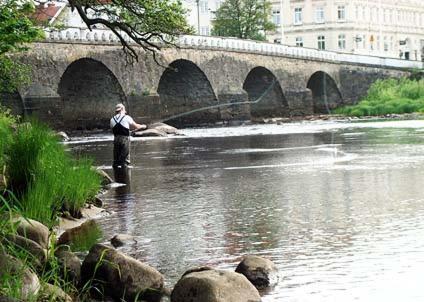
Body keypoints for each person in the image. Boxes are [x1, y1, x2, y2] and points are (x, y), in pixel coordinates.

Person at [110, 103, 146, 168]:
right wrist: (143, 126)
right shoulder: (127, 117)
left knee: (116, 161)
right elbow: (136, 126)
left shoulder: (112, 119)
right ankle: (125, 176)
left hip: (116, 140)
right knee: (124, 162)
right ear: (122, 110)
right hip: (125, 140)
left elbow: (113, 130)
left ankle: (117, 176)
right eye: (124, 110)